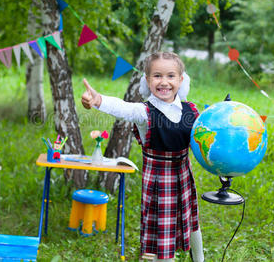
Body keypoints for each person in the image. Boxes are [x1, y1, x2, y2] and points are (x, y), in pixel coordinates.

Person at [81, 52, 204, 262]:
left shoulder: (191, 110)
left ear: (181, 80)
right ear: (147, 80)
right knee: (163, 231)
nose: (164, 82)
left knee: (192, 221)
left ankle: (199, 258)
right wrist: (98, 100)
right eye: (157, 76)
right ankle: (162, 258)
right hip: (160, 182)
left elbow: (206, 136)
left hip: (184, 176)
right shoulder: (144, 111)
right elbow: (123, 108)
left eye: (171, 76)